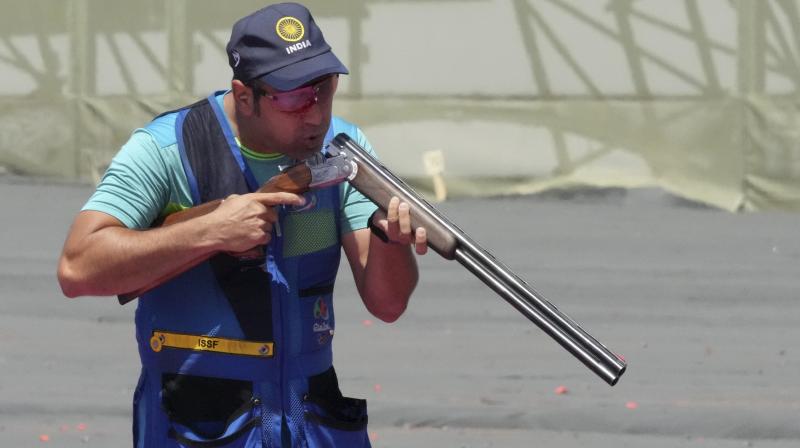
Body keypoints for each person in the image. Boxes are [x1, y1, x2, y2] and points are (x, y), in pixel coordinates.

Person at [57, 3, 427, 446]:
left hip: (312, 418)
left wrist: (390, 237)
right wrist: (208, 231)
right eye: (293, 98)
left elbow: (388, 305)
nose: (315, 114)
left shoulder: (344, 152)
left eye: (324, 89)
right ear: (245, 94)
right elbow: (77, 269)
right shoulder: (165, 148)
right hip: (197, 424)